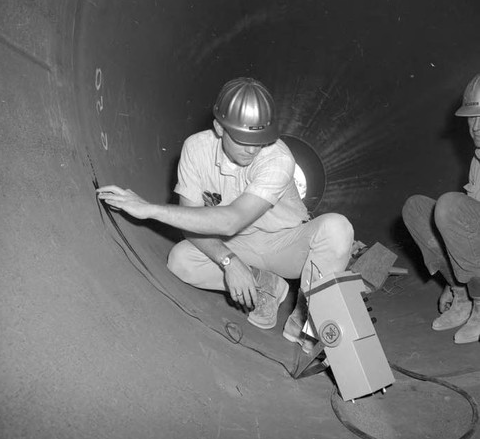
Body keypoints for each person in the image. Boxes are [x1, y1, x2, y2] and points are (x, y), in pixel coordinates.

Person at [97, 77, 354, 351]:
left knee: (337, 228)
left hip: (288, 245)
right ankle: (267, 285)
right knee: (181, 260)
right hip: (240, 245)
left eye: (261, 140)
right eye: (243, 139)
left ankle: (305, 321)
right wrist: (228, 260)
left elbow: (232, 220)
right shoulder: (196, 150)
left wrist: (148, 209)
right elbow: (191, 221)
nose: (252, 149)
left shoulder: (278, 158)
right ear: (219, 127)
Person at [402, 73, 480, 344]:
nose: (477, 127)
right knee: (417, 208)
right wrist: (456, 281)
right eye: (472, 117)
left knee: (450, 207)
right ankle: (463, 297)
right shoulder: (478, 159)